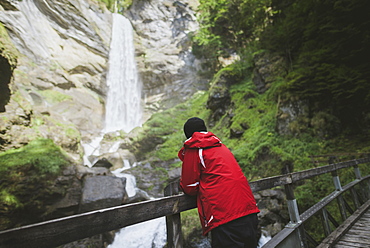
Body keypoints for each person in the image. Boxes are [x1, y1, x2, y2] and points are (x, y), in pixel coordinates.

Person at [178, 117, 260, 248]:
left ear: (188, 135)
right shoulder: (220, 145)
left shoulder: (194, 148)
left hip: (225, 215)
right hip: (248, 209)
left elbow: (189, 187)